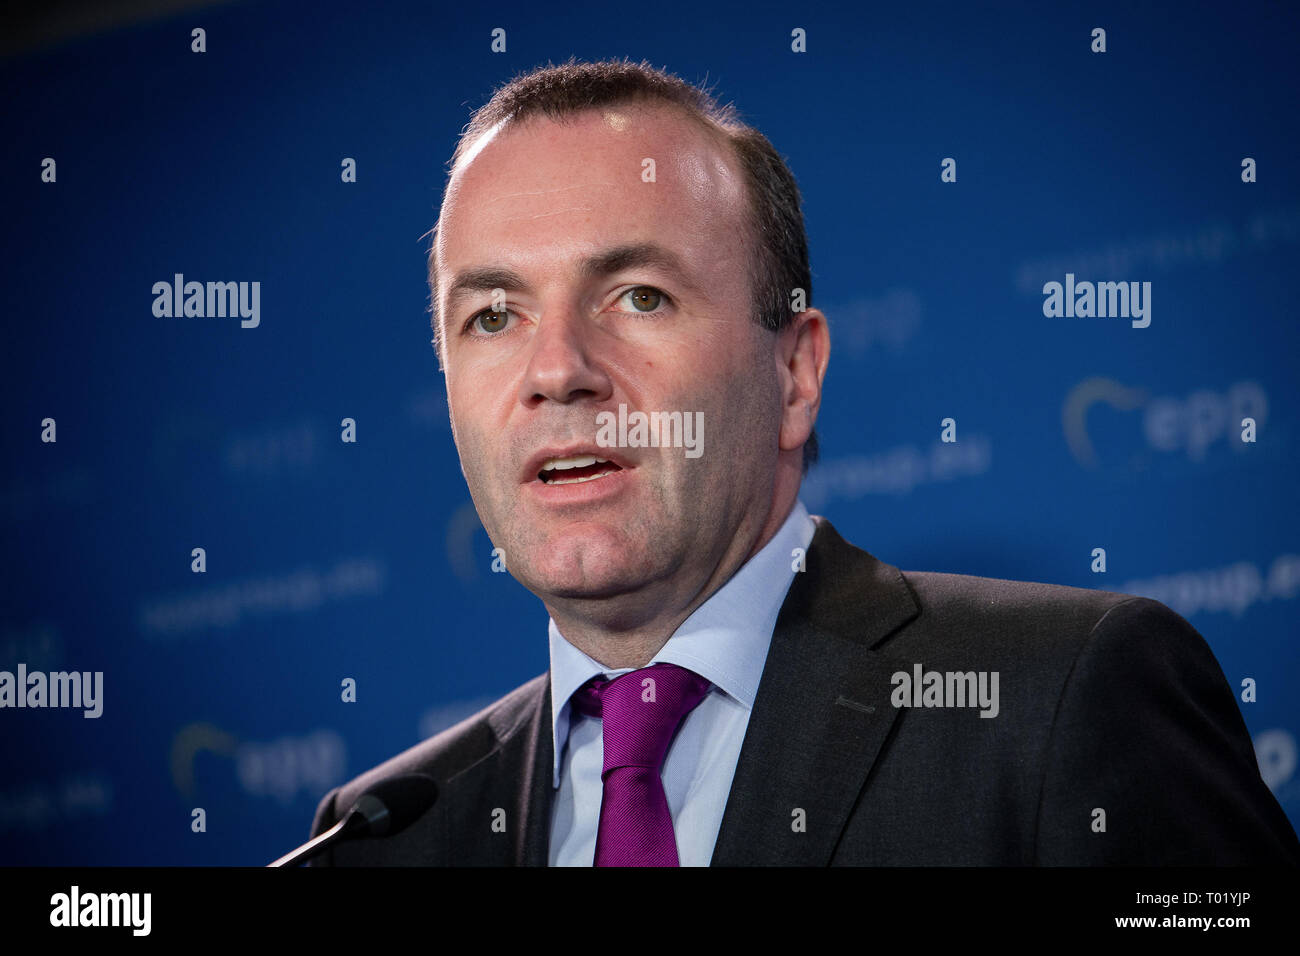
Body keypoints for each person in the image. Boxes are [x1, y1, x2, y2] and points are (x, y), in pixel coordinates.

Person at [307, 57, 1300, 866]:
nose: (557, 369)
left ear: (793, 371)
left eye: (639, 295)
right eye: (491, 316)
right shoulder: (383, 834)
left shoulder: (1063, 703)